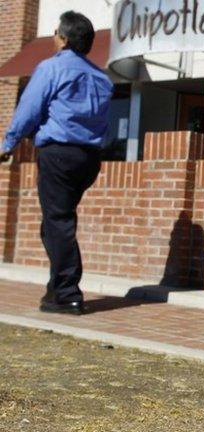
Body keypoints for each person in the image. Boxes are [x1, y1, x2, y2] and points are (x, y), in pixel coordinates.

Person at [1, 11, 113, 315]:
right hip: (89, 158)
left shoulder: (51, 68)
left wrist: (8, 143)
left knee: (59, 222)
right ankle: (56, 289)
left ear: (62, 38)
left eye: (55, 32)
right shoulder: (102, 78)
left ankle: (66, 294)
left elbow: (29, 108)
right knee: (55, 223)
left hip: (59, 154)